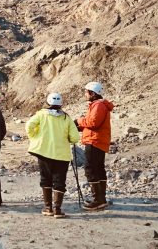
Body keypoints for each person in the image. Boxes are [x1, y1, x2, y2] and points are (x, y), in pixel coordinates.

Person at [25, 93, 81, 218]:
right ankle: (57, 209)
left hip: (44, 153)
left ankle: (48, 207)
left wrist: (35, 137)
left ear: (48, 102)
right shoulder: (67, 118)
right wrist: (68, 139)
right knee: (59, 181)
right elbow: (75, 138)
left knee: (45, 179)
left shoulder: (41, 114)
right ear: (60, 104)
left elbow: (29, 126)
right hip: (62, 155)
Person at [75, 81, 114, 211]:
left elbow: (93, 123)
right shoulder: (98, 105)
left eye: (86, 92)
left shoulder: (98, 105)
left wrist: (79, 121)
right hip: (98, 140)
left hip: (94, 141)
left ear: (92, 93)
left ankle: (98, 200)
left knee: (91, 168)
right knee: (98, 169)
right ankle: (101, 199)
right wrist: (80, 126)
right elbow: (92, 123)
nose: (85, 94)